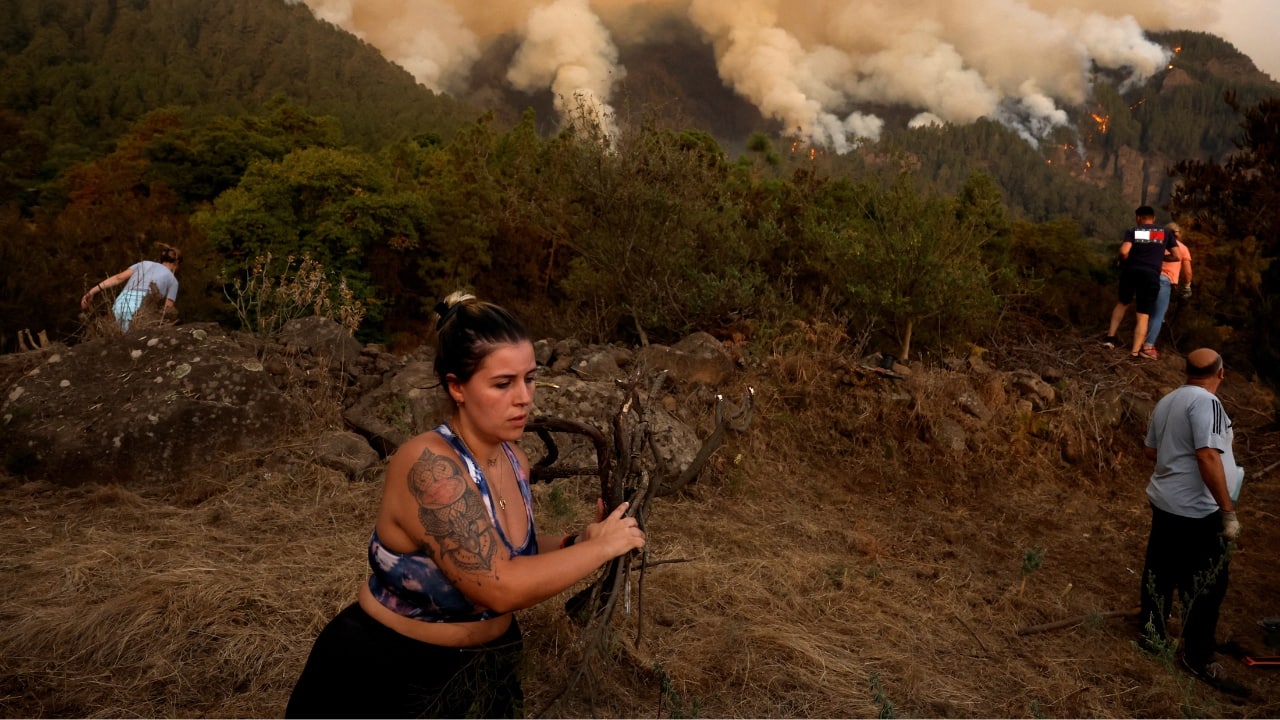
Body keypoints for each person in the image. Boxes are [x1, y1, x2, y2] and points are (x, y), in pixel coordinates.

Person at [285, 292, 646, 719]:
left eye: (529, 378)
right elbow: (498, 585)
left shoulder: (513, 457)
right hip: (392, 674)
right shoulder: (430, 466)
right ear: (457, 386)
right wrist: (601, 548)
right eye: (502, 383)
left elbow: (506, 553)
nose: (524, 397)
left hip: (489, 668)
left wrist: (577, 539)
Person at [1138, 348, 1246, 695]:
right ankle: (1197, 656)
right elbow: (1207, 455)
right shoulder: (1207, 403)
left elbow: (1152, 451)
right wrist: (1227, 510)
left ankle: (1151, 636)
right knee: (1208, 584)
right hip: (1199, 511)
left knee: (1161, 571)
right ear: (1221, 373)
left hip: (1167, 503)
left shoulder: (1168, 400)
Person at [1103, 206, 1177, 359]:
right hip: (1151, 275)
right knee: (1143, 314)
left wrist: (1123, 261)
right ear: (1153, 218)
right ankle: (1135, 352)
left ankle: (1110, 339)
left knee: (1123, 303)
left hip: (1131, 272)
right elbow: (1176, 256)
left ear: (1138, 218)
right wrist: (1159, 258)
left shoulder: (1134, 231)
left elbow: (1124, 251)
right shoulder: (1165, 233)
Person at [80, 244, 182, 331]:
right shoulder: (173, 280)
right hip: (141, 309)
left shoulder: (144, 263)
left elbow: (118, 278)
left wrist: (92, 291)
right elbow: (168, 309)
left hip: (120, 304)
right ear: (176, 263)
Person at [1139, 222, 1193, 360]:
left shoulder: (1154, 241)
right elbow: (1187, 272)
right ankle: (1148, 347)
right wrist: (1186, 286)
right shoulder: (1182, 248)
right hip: (1164, 281)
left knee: (1143, 312)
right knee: (1157, 315)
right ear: (1179, 234)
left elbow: (1136, 237)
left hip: (1145, 277)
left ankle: (1136, 343)